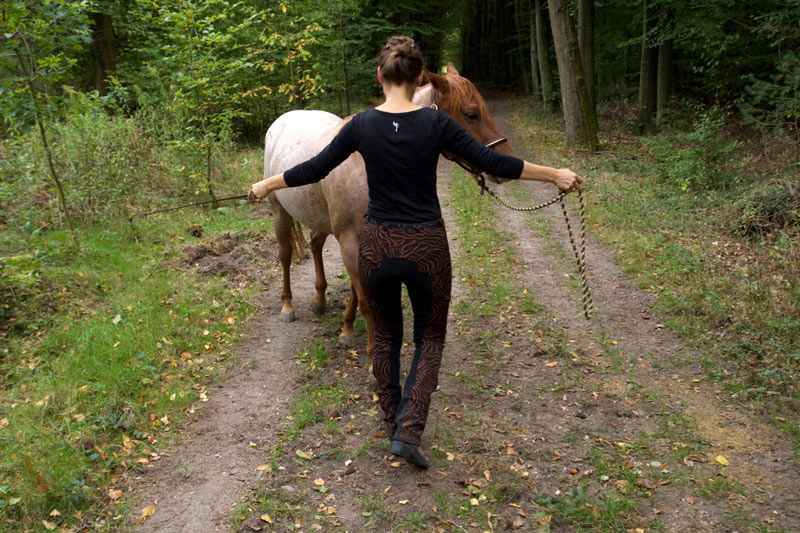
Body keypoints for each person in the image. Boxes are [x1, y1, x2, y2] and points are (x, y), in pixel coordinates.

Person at [249, 35, 582, 469]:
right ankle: (410, 430)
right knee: (430, 340)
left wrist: (268, 184)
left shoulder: (360, 125)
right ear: (420, 77)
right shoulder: (438, 125)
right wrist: (554, 174)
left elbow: (313, 168)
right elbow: (497, 162)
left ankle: (391, 421)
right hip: (427, 246)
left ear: (381, 75)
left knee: (385, 337)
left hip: (377, 247)